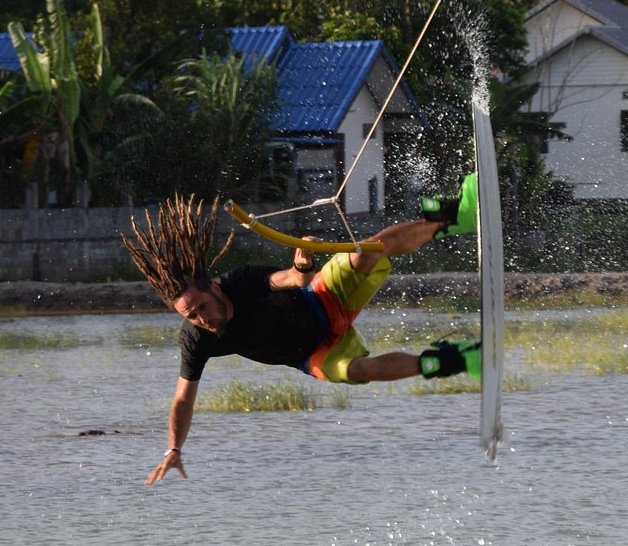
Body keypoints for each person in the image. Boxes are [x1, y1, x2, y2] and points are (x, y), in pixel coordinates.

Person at [121, 176, 480, 484]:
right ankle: (455, 359)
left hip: (321, 300)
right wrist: (174, 448)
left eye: (201, 307)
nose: (201, 318)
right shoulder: (197, 339)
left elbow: (293, 279)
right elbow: (183, 399)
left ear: (214, 288)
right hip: (314, 354)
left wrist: (302, 260)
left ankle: (454, 218)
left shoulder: (240, 282)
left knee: (365, 253)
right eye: (190, 315)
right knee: (360, 371)